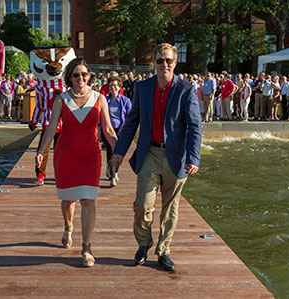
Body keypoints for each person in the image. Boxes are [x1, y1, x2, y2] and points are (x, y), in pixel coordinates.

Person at [111, 43, 202, 272]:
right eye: (160, 60)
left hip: (177, 156)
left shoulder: (186, 89)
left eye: (168, 60)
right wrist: (119, 152)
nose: (164, 64)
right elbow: (132, 122)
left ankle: (163, 251)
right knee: (143, 204)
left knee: (170, 208)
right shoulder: (143, 88)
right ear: (154, 62)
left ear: (175, 62)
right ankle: (143, 243)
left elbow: (194, 126)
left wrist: (194, 157)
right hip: (149, 152)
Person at [35, 58, 118, 268]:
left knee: (88, 201)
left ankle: (87, 247)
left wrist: (119, 150)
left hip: (91, 156)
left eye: (84, 74)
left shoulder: (100, 99)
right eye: (76, 75)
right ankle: (68, 225)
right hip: (66, 156)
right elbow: (52, 128)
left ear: (89, 76)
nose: (81, 78)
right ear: (69, 77)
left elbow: (108, 129)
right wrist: (41, 151)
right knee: (68, 201)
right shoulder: (61, 100)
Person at [104, 76, 132, 187]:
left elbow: (130, 117)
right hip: (108, 129)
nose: (113, 88)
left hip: (121, 130)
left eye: (115, 85)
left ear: (120, 87)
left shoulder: (125, 101)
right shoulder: (105, 100)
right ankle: (112, 176)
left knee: (118, 153)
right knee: (110, 152)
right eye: (111, 85)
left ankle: (114, 171)